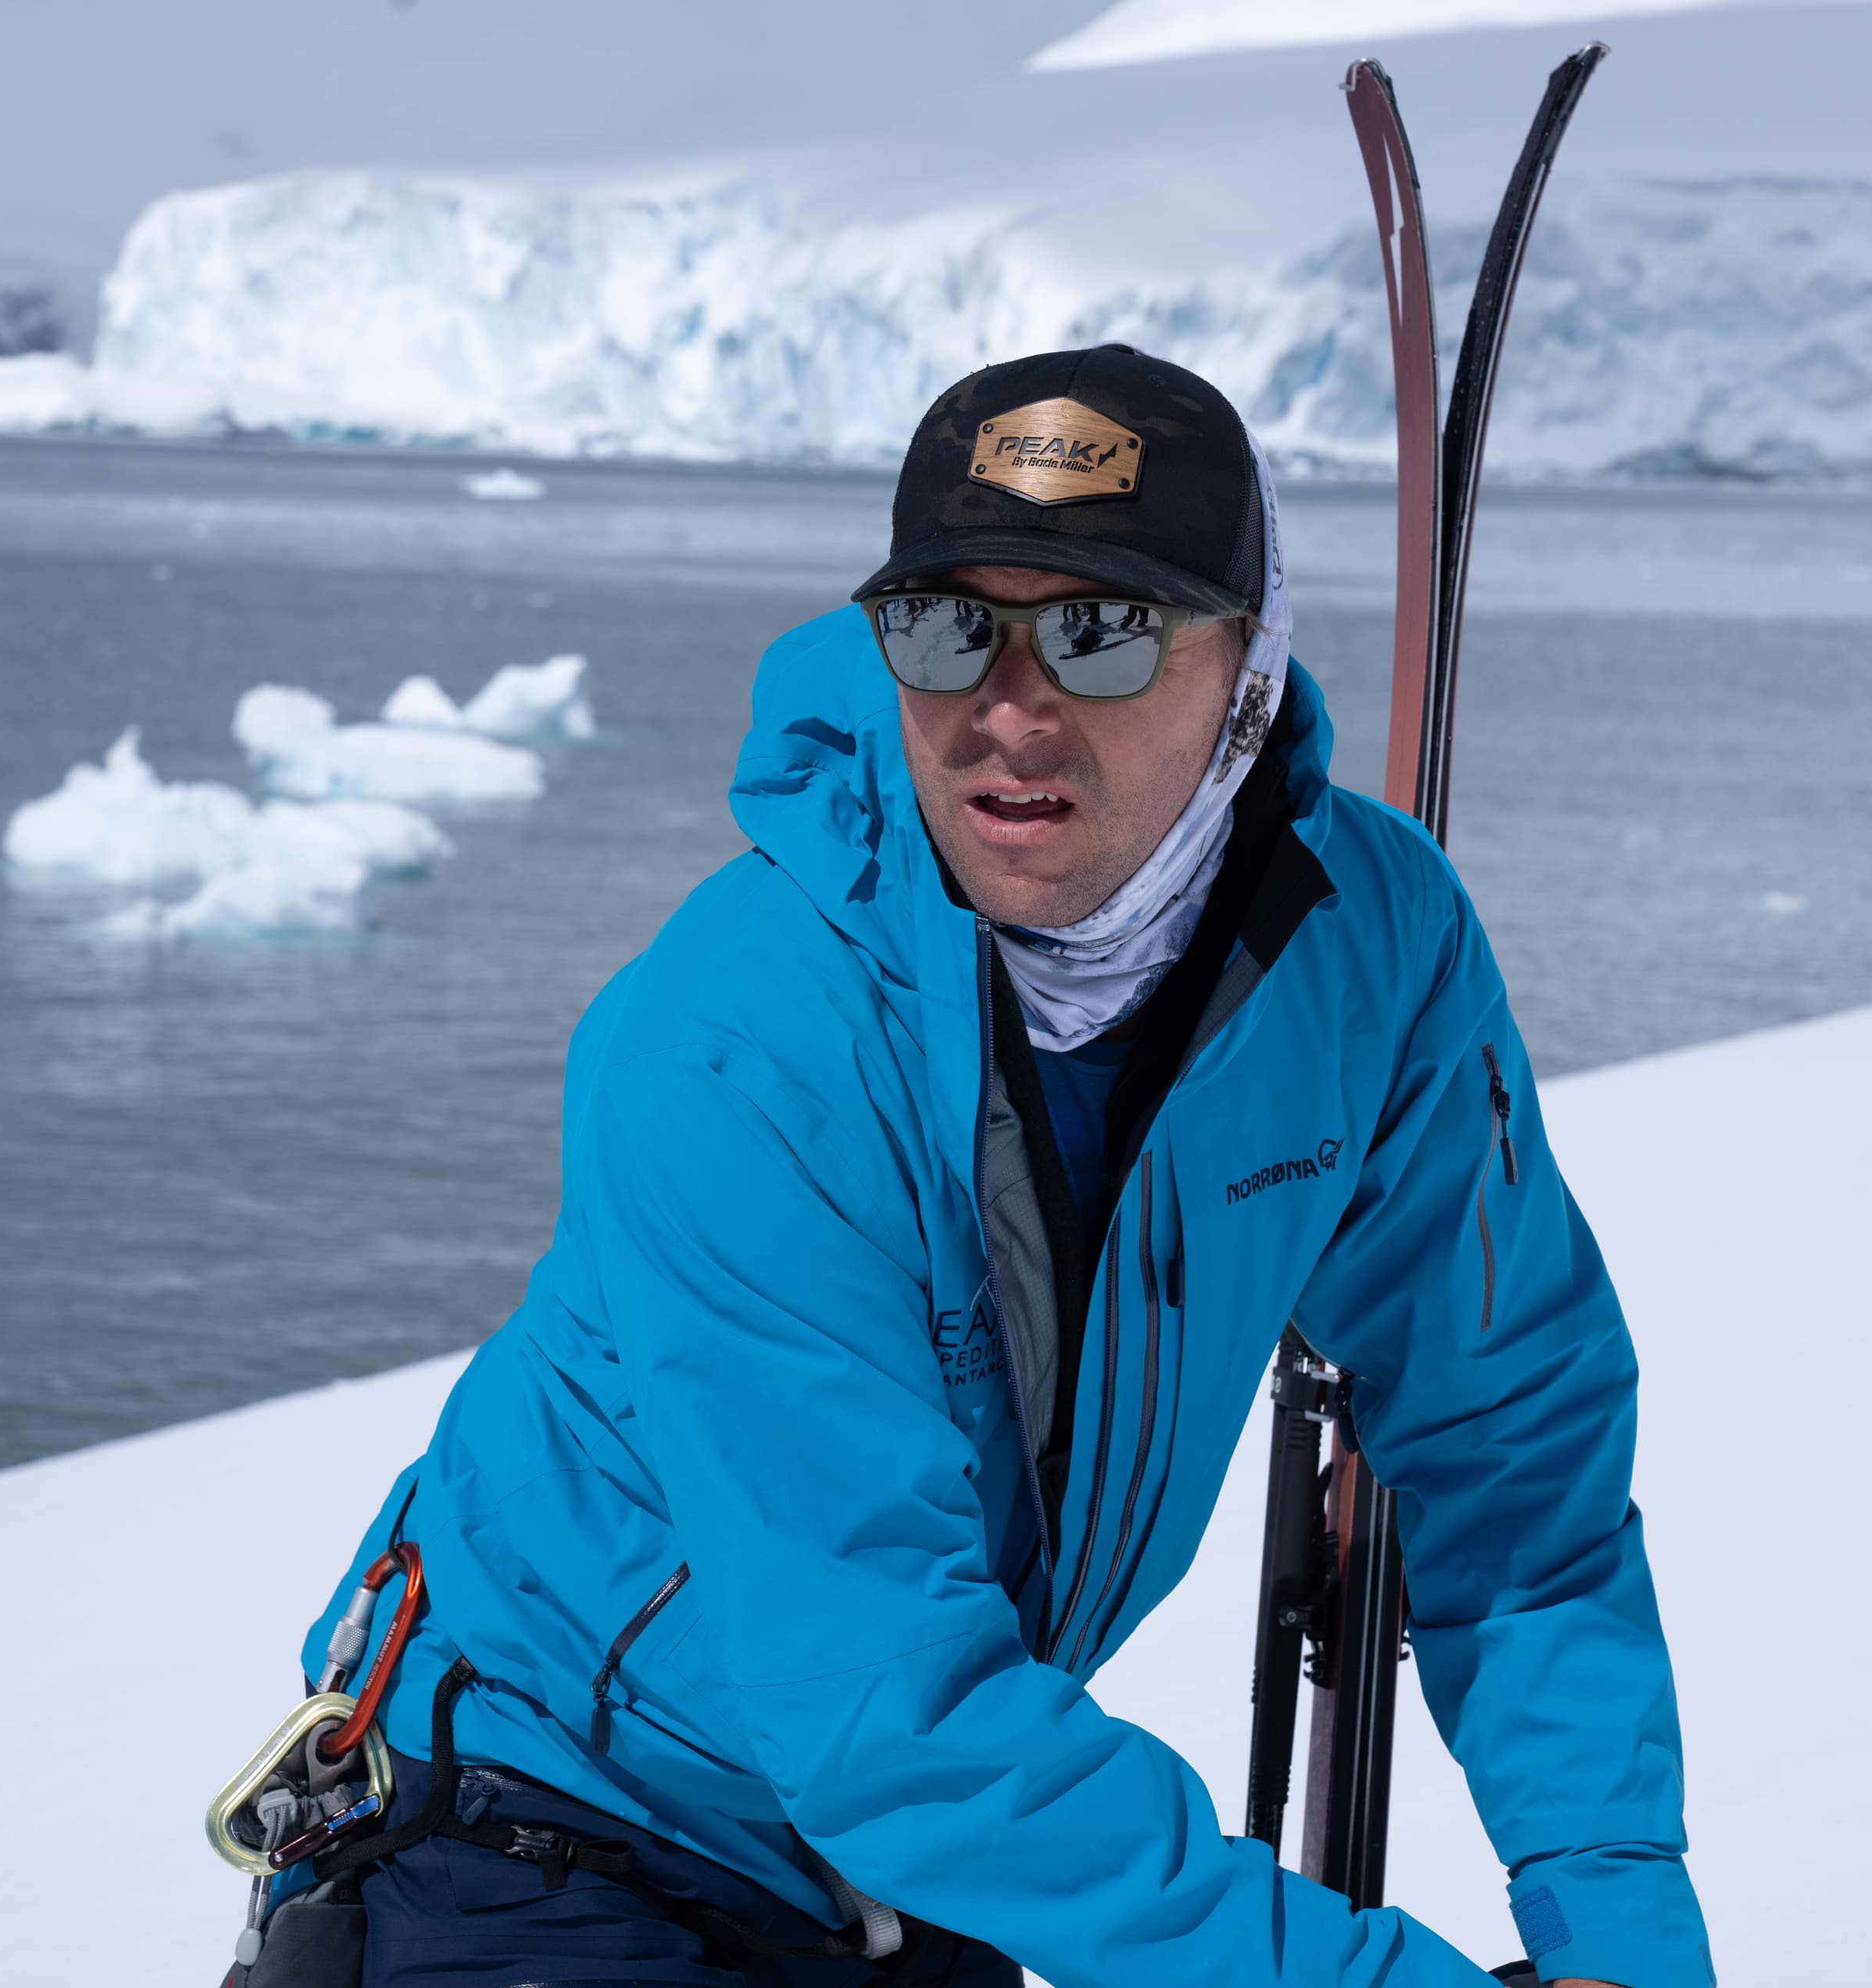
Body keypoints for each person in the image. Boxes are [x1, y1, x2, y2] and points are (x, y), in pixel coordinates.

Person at [274, 347, 1711, 1988]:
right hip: (540, 1833)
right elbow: (889, 1707)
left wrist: (1619, 1925)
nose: (1009, 709)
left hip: (913, 1847)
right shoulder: (738, 1044)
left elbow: (1511, 1451)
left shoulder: (1368, 947)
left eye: (1100, 632)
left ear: (1249, 668)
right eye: (949, 626)